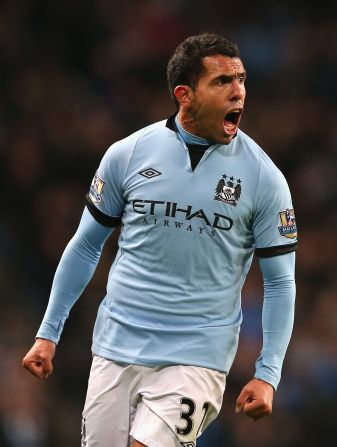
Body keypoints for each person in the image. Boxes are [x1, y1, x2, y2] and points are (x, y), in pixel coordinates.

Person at [22, 33, 297, 447]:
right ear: (185, 94)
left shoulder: (264, 179)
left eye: (241, 79)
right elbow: (86, 244)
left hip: (196, 358)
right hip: (116, 345)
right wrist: (48, 333)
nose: (238, 91)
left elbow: (279, 281)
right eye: (222, 82)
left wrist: (267, 374)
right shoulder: (128, 154)